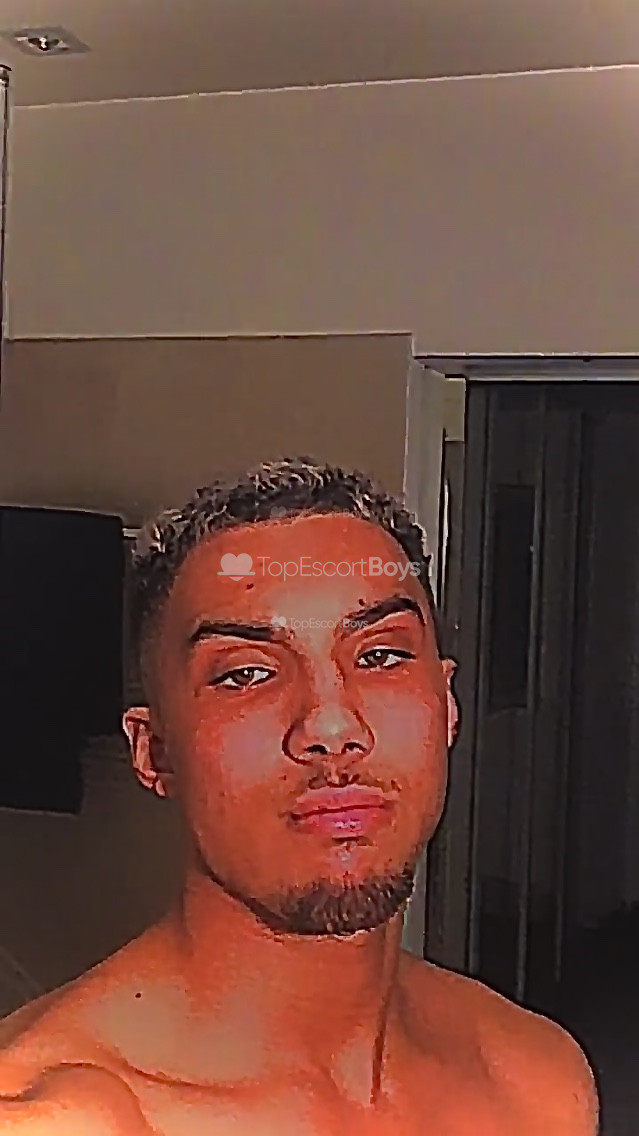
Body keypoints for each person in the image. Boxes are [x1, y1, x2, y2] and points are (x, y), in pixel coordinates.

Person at [0, 458, 598, 1133]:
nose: (332, 727)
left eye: (380, 656)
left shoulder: (533, 1075)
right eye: (246, 674)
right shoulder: (49, 1118)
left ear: (447, 707)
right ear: (154, 751)